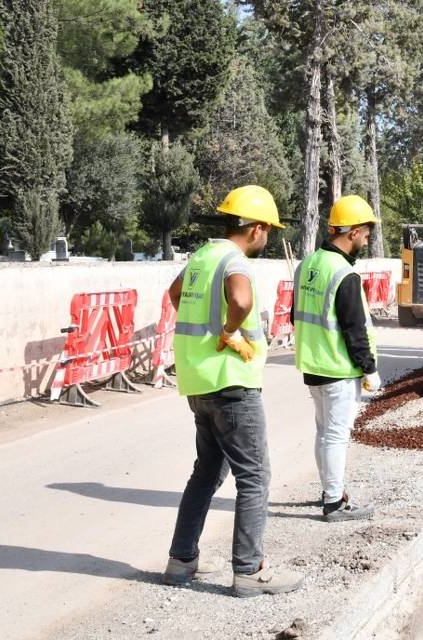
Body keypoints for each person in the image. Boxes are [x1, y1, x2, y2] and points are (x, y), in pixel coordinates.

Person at [162, 184, 304, 597]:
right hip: (233, 384)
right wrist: (227, 331)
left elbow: (173, 294)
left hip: (199, 383)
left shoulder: (202, 257)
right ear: (257, 228)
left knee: (206, 472)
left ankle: (181, 561)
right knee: (255, 476)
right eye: (269, 230)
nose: (268, 237)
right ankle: (248, 571)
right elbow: (240, 299)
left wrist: (207, 336)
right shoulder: (233, 261)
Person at [291, 195, 381, 522]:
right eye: (366, 234)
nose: (367, 240)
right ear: (353, 232)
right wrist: (368, 368)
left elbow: (294, 316)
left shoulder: (308, 265)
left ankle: (331, 490)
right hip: (338, 369)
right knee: (336, 435)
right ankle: (333, 502)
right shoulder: (344, 274)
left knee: (323, 432)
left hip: (313, 367)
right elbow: (354, 329)